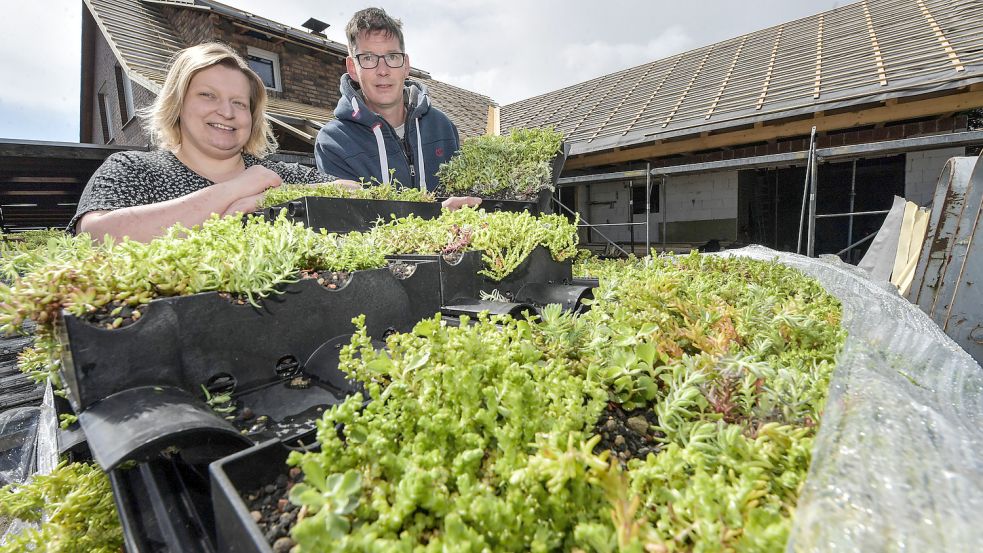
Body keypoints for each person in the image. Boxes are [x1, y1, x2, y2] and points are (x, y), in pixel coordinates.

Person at [71, 42, 355, 242]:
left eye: (239, 103)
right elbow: (95, 236)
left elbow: (356, 193)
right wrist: (233, 191)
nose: (227, 112)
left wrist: (265, 200)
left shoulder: (278, 175)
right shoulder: (133, 169)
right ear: (178, 104)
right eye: (208, 95)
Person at [314, 7, 479, 210]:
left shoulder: (442, 127)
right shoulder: (333, 142)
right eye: (368, 58)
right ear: (352, 68)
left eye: (392, 56)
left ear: (406, 65)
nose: (383, 70)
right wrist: (436, 215)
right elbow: (344, 224)